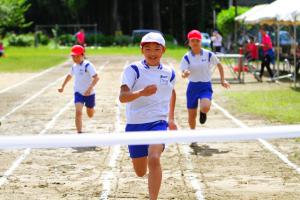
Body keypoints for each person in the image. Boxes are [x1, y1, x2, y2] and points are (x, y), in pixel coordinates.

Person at [119, 32, 177, 200]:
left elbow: (171, 93)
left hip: (158, 122)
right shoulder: (133, 69)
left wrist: (171, 119)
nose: (152, 53)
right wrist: (142, 93)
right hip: (135, 124)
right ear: (141, 50)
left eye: (156, 49)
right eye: (148, 49)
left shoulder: (170, 72)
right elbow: (123, 97)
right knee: (140, 171)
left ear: (163, 50)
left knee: (154, 158)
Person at [180, 30, 230, 135]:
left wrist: (222, 80)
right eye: (192, 40)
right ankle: (193, 134)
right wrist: (185, 74)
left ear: (200, 42)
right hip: (192, 87)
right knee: (191, 115)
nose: (195, 42)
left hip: (205, 86)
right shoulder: (186, 57)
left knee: (206, 106)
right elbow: (183, 72)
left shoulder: (208, 54)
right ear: (189, 43)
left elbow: (219, 65)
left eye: (197, 40)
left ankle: (203, 113)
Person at [58, 45, 99, 133]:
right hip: (78, 93)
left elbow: (96, 78)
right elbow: (69, 76)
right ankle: (79, 132)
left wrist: (89, 89)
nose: (75, 58)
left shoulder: (88, 65)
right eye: (73, 56)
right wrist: (62, 86)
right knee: (78, 113)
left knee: (90, 114)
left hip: (89, 94)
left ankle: (91, 109)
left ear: (82, 55)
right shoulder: (74, 66)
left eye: (77, 56)